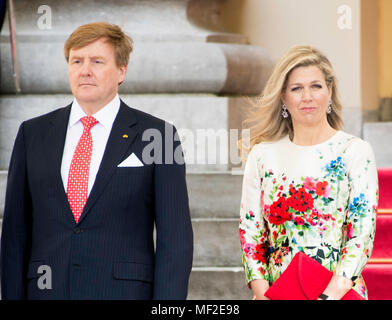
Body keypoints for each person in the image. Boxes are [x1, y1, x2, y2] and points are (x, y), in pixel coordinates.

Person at [0, 22, 193, 300]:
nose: (85, 70)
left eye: (97, 61)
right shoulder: (33, 134)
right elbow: (14, 236)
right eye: (76, 61)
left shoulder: (158, 136)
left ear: (122, 71)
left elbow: (175, 240)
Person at [238, 45, 378, 300]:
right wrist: (265, 293)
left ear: (330, 91)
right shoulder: (262, 156)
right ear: (283, 97)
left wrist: (329, 295)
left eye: (316, 86)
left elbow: (362, 233)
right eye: (296, 88)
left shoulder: (354, 151)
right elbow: (250, 233)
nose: (307, 97)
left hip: (339, 292)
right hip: (277, 293)